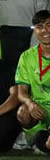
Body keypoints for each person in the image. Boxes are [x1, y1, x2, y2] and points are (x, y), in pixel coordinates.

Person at [16, 10, 50, 146]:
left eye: (48, 25)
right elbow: (21, 92)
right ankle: (34, 137)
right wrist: (30, 103)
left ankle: (42, 141)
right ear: (35, 30)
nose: (45, 30)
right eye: (39, 27)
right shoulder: (27, 56)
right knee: (23, 113)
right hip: (41, 109)